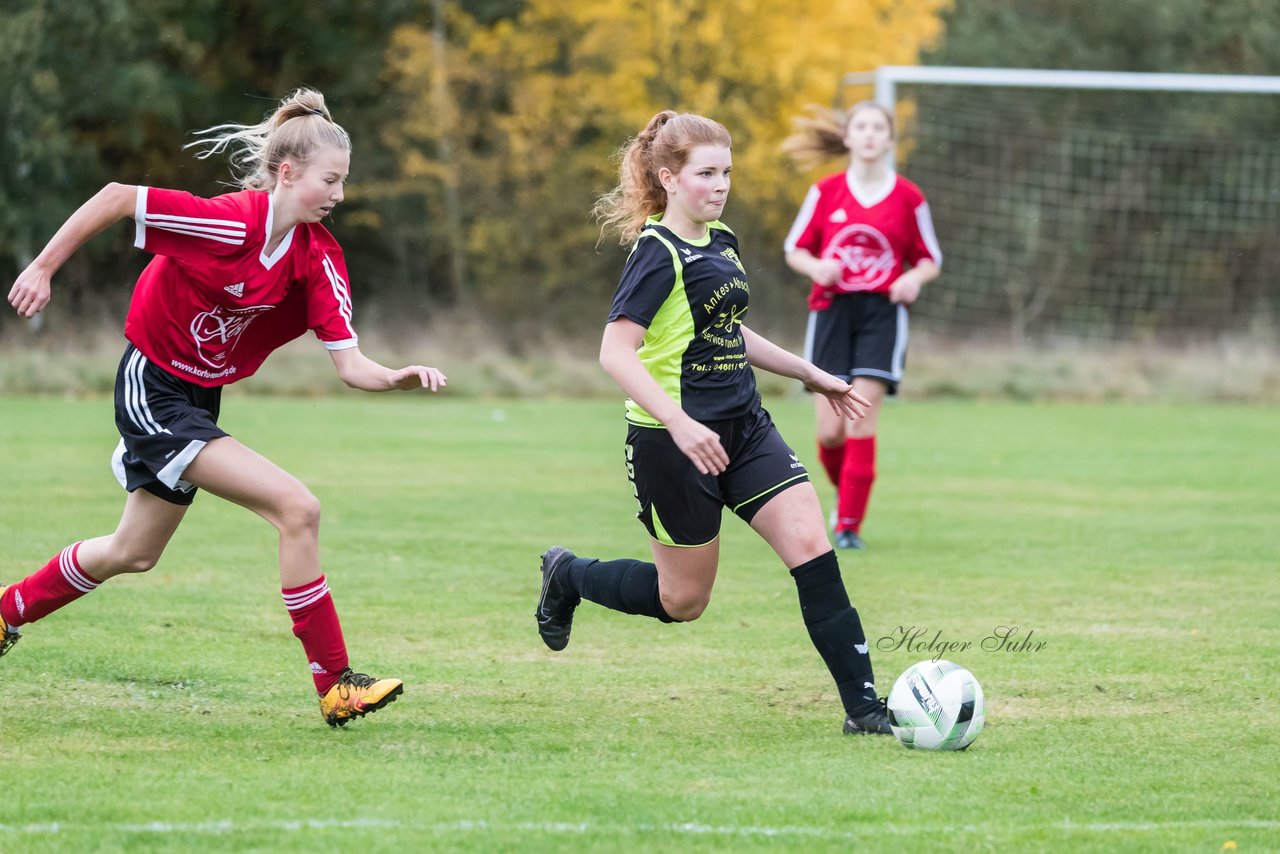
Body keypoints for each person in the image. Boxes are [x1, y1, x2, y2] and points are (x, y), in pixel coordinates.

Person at [2, 88, 447, 728]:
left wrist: (396, 378)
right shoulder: (227, 222)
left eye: (344, 183)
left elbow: (350, 365)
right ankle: (336, 683)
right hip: (152, 385)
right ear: (287, 174)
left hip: (198, 399)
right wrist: (43, 268)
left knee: (132, 552)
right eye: (331, 180)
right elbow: (116, 197)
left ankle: (5, 614)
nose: (339, 196)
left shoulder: (318, 258)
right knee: (298, 507)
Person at [535, 110, 893, 736]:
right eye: (706, 174)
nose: (720, 184)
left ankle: (865, 710)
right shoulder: (655, 253)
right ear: (669, 178)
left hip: (745, 427)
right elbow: (614, 352)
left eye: (726, 172)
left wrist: (809, 373)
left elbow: (727, 329)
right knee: (684, 602)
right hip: (672, 444)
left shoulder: (721, 240)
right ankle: (569, 574)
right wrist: (678, 423)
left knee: (813, 548)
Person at [782, 101, 942, 550]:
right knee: (831, 431)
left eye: (879, 128)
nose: (870, 135)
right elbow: (794, 249)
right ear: (848, 137)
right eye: (862, 127)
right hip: (832, 313)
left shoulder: (908, 197)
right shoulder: (826, 192)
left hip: (882, 316)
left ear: (889, 140)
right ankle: (844, 495)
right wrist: (816, 267)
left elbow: (931, 259)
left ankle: (848, 526)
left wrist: (911, 278)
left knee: (860, 421)